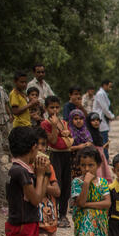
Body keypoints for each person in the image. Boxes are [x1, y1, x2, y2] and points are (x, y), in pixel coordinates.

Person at [41, 96, 74, 228]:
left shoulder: (63, 122)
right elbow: (53, 141)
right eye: (51, 107)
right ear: (46, 108)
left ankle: (63, 215)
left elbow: (70, 138)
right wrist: (54, 126)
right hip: (55, 155)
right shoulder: (45, 124)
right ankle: (54, 213)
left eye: (56, 107)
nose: (54, 110)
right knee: (57, 183)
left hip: (66, 154)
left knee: (67, 185)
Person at [86, 112, 112, 182]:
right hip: (94, 157)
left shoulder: (97, 132)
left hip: (101, 156)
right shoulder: (88, 133)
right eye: (93, 120)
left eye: (98, 120)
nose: (96, 122)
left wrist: (104, 147)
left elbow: (98, 146)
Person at [68, 110, 94, 179]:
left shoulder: (86, 131)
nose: (78, 121)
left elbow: (90, 142)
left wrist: (89, 144)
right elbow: (66, 148)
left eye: (81, 118)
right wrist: (78, 147)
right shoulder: (68, 132)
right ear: (71, 120)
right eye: (76, 119)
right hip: (73, 161)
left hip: (85, 160)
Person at [93, 80, 114, 160]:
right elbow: (105, 108)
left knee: (104, 141)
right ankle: (104, 159)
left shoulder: (103, 94)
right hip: (100, 121)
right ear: (104, 85)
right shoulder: (100, 94)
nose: (110, 88)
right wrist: (111, 116)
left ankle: (105, 159)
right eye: (109, 86)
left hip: (103, 121)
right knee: (103, 142)